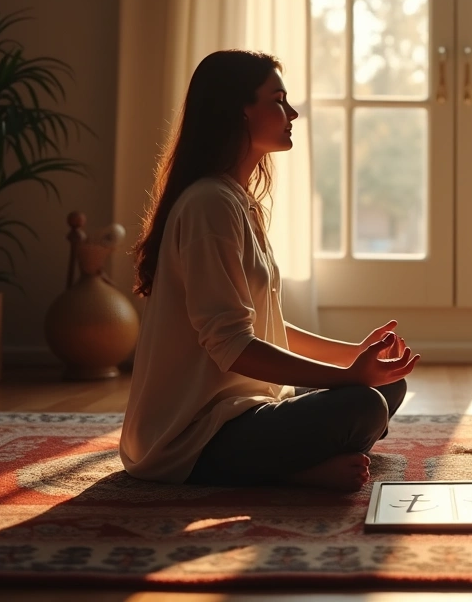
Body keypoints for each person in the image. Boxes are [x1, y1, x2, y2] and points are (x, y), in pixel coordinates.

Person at [120, 50, 419, 492]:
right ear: (240, 110)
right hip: (194, 435)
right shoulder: (209, 205)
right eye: (278, 99)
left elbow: (264, 326)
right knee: (363, 406)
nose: (292, 112)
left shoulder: (237, 200)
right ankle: (288, 472)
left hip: (246, 406)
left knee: (387, 389)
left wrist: (351, 355)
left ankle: (302, 458)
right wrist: (346, 377)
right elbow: (232, 344)